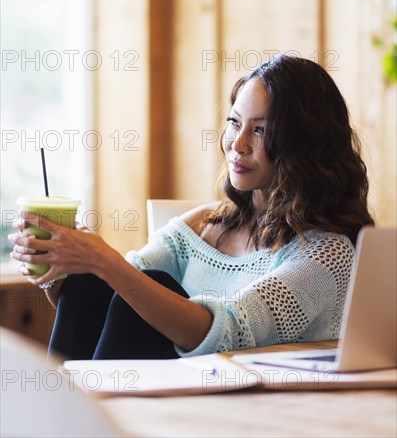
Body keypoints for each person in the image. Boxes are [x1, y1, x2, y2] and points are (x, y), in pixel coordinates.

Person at [9, 55, 374, 360]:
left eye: (261, 130)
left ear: (306, 144)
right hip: (167, 393)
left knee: (142, 282)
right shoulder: (204, 226)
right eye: (234, 123)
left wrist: (104, 260)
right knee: (91, 282)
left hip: (248, 402)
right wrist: (60, 267)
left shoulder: (326, 254)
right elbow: (103, 302)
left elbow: (228, 332)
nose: (238, 144)